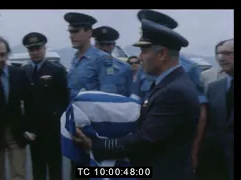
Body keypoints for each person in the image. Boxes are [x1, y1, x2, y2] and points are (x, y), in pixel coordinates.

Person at [74, 19, 201, 180]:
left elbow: (146, 139)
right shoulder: (167, 84)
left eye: (144, 51)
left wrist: (98, 144)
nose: (139, 57)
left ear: (162, 54)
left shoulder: (174, 91)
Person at [134, 9, 208, 170]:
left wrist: (193, 152)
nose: (139, 57)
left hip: (166, 157)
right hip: (145, 152)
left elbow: (200, 113)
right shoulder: (146, 68)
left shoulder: (187, 69)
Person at [22, 32, 69, 180]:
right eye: (31, 49)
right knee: (38, 170)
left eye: (38, 48)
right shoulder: (25, 71)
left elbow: (64, 100)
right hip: (34, 132)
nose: (35, 52)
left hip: (52, 130)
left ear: (44, 48)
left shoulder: (57, 70)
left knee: (55, 168)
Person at [196, 38, 234, 180]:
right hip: (214, 162)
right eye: (218, 54)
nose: (221, 58)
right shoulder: (214, 87)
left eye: (227, 53)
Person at [0, 36, 29, 180]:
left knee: (18, 175)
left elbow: (30, 102)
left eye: (2, 54)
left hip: (16, 133)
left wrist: (31, 129)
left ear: (8, 54)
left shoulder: (18, 74)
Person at [64, 12, 120, 99]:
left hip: (92, 110)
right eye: (70, 32)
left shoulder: (102, 59)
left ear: (89, 32)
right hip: (75, 110)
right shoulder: (75, 59)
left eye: (76, 31)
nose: (71, 36)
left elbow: (108, 94)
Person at [93, 26, 133, 96]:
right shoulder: (87, 67)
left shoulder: (125, 68)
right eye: (101, 44)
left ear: (113, 45)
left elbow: (129, 95)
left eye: (108, 44)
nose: (104, 48)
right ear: (95, 45)